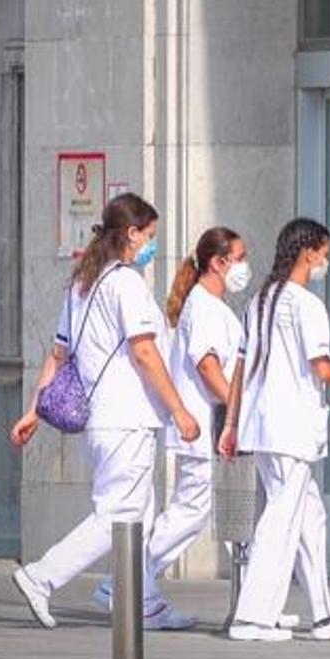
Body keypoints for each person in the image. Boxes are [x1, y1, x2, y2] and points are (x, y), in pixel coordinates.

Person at [9, 193, 200, 630]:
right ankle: (42, 577)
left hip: (105, 419)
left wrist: (34, 411)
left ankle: (143, 601)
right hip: (126, 417)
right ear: (131, 234)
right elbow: (145, 351)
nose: (153, 244)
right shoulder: (127, 284)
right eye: (149, 236)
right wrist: (180, 411)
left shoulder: (82, 284)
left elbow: (58, 355)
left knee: (142, 514)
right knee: (115, 513)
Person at [90, 227, 263, 627]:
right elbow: (207, 366)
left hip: (208, 427)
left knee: (193, 511)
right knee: (189, 512)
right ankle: (124, 579)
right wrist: (237, 409)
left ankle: (127, 580)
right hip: (203, 426)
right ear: (219, 263)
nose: (244, 266)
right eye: (241, 256)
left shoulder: (212, 306)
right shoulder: (202, 306)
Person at [218, 218, 330, 642]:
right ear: (308, 252)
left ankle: (323, 613)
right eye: (325, 253)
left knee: (308, 516)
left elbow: (241, 368)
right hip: (291, 426)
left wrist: (231, 423)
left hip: (261, 425)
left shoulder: (258, 301)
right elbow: (320, 365)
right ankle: (253, 616)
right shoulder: (306, 305)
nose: (326, 262)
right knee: (281, 517)